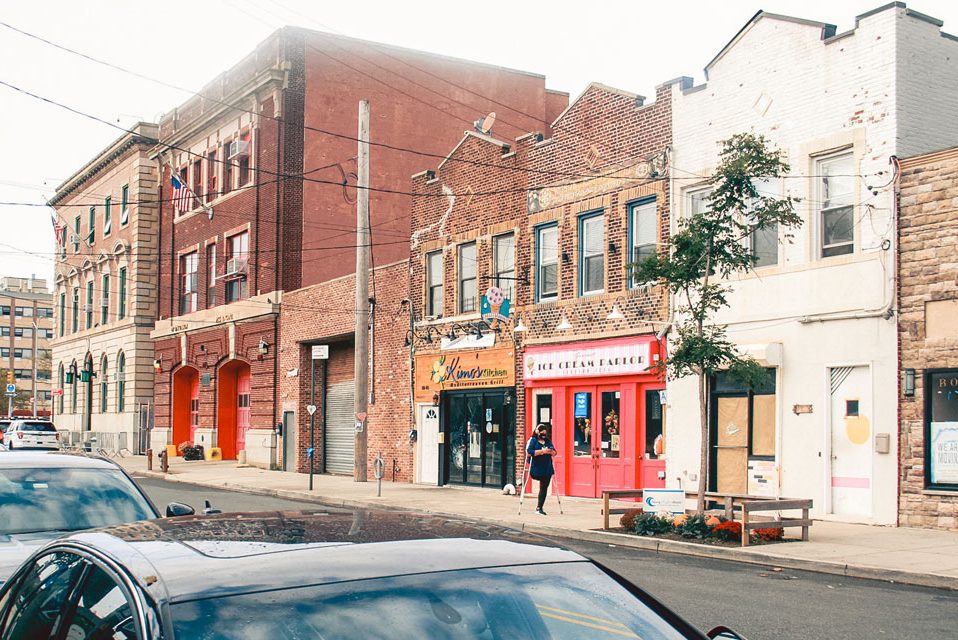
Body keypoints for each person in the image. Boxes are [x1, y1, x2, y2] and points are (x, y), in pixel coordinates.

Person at [526, 423, 557, 516]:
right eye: (541, 433)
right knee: (542, 483)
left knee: (544, 488)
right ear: (537, 432)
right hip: (536, 468)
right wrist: (542, 451)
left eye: (545, 433)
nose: (543, 435)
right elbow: (530, 451)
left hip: (547, 468)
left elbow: (555, 452)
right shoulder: (534, 440)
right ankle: (539, 507)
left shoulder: (547, 441)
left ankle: (539, 507)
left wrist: (550, 451)